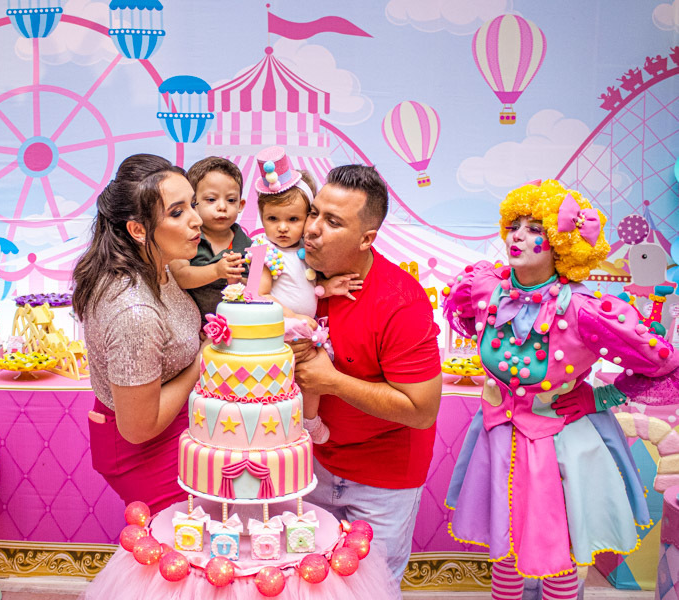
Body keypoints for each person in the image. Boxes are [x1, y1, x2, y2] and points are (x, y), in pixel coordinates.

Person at [441, 179, 679, 600]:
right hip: (497, 437)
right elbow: (460, 312)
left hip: (560, 446)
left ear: (561, 244)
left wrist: (599, 397)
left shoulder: (586, 309)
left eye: (536, 229)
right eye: (516, 224)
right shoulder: (484, 288)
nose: (519, 235)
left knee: (560, 555)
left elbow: (661, 362)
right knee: (507, 552)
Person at [290, 164, 442, 583]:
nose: (312, 229)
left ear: (366, 238)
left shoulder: (400, 301)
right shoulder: (293, 282)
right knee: (305, 583)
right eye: (314, 212)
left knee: (369, 586)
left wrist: (332, 381)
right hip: (310, 464)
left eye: (333, 221)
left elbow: (421, 411)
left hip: (383, 475)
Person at [72, 154, 203, 514]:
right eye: (177, 213)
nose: (197, 219)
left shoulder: (158, 266)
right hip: (141, 447)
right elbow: (138, 428)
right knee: (175, 551)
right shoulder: (134, 313)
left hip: (173, 427)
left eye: (192, 204)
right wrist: (201, 363)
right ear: (138, 230)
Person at [250, 147, 362, 444]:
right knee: (296, 372)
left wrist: (329, 287)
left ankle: (309, 419)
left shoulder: (303, 250)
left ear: (306, 219)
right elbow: (256, 295)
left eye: (293, 219)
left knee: (314, 371)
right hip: (277, 326)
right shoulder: (264, 250)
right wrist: (292, 317)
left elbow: (305, 287)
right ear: (261, 216)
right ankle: (286, 424)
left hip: (304, 326)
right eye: (273, 218)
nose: (283, 227)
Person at [170, 156, 250, 323]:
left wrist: (238, 281)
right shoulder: (186, 238)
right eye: (211, 199)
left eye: (231, 200)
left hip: (239, 326)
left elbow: (257, 288)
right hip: (193, 326)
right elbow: (180, 276)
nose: (222, 207)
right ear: (192, 203)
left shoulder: (249, 246)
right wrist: (216, 271)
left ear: (241, 205)